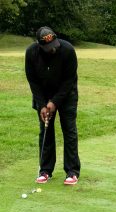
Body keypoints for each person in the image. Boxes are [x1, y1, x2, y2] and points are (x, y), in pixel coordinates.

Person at [25, 26, 80, 184]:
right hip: (43, 94)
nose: (52, 50)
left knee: (69, 130)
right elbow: (33, 82)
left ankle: (72, 171)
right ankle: (45, 170)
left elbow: (69, 81)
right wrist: (42, 104)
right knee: (46, 129)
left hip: (67, 95)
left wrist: (54, 102)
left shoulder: (68, 50)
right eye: (48, 48)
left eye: (54, 45)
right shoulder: (31, 53)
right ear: (39, 45)